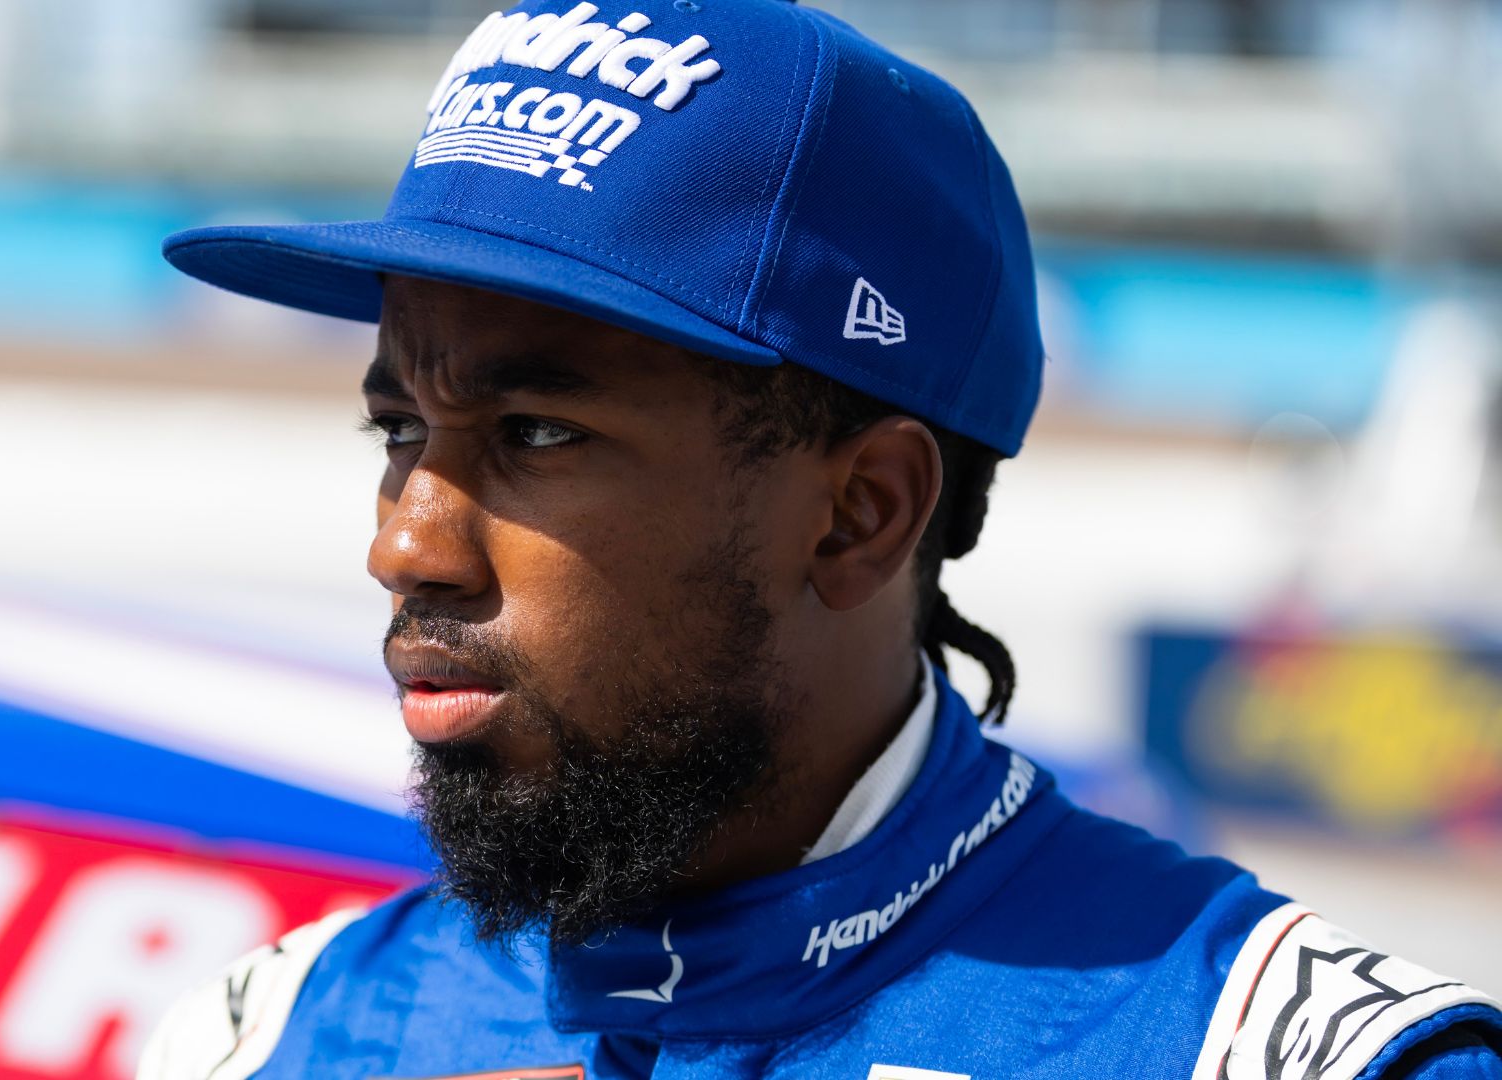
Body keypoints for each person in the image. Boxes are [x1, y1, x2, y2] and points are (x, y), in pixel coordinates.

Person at [139, 1, 1502, 1076]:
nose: (408, 543)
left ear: (863, 513)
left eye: (536, 433)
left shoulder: (1276, 1051)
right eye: (399, 433)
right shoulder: (269, 1037)